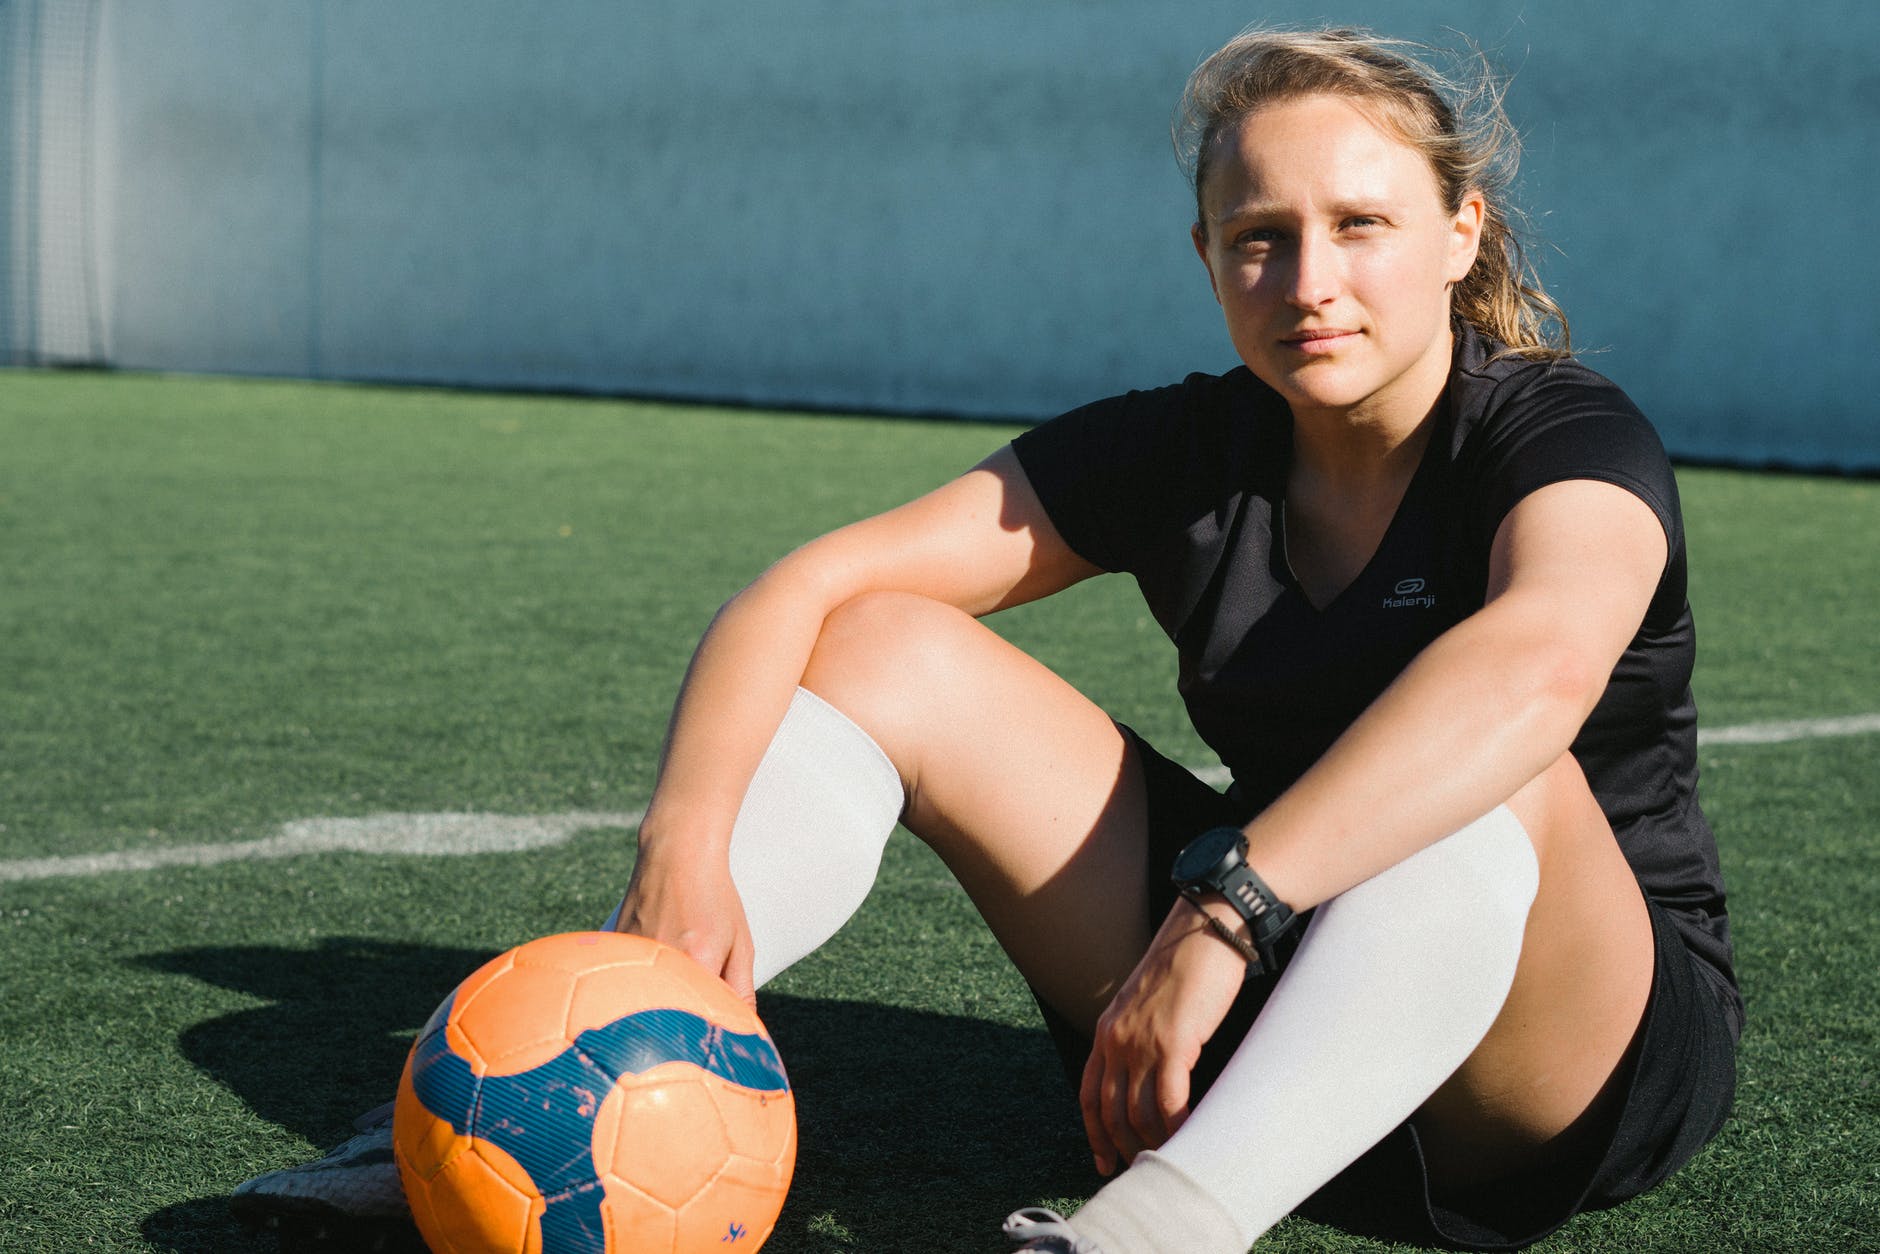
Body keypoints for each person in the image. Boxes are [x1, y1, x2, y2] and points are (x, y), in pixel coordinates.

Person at [234, 24, 1741, 1253]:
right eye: (1260, 238)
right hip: (1275, 1008)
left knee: (1481, 773)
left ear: (1458, 230)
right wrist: (684, 845)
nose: (1311, 281)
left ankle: (1158, 1230)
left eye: (1361, 225)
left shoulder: (1558, 432)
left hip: (1554, 1055)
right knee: (886, 638)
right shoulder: (1195, 445)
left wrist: (1228, 912)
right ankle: (541, 1087)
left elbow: (1538, 668)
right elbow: (805, 590)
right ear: (1207, 255)